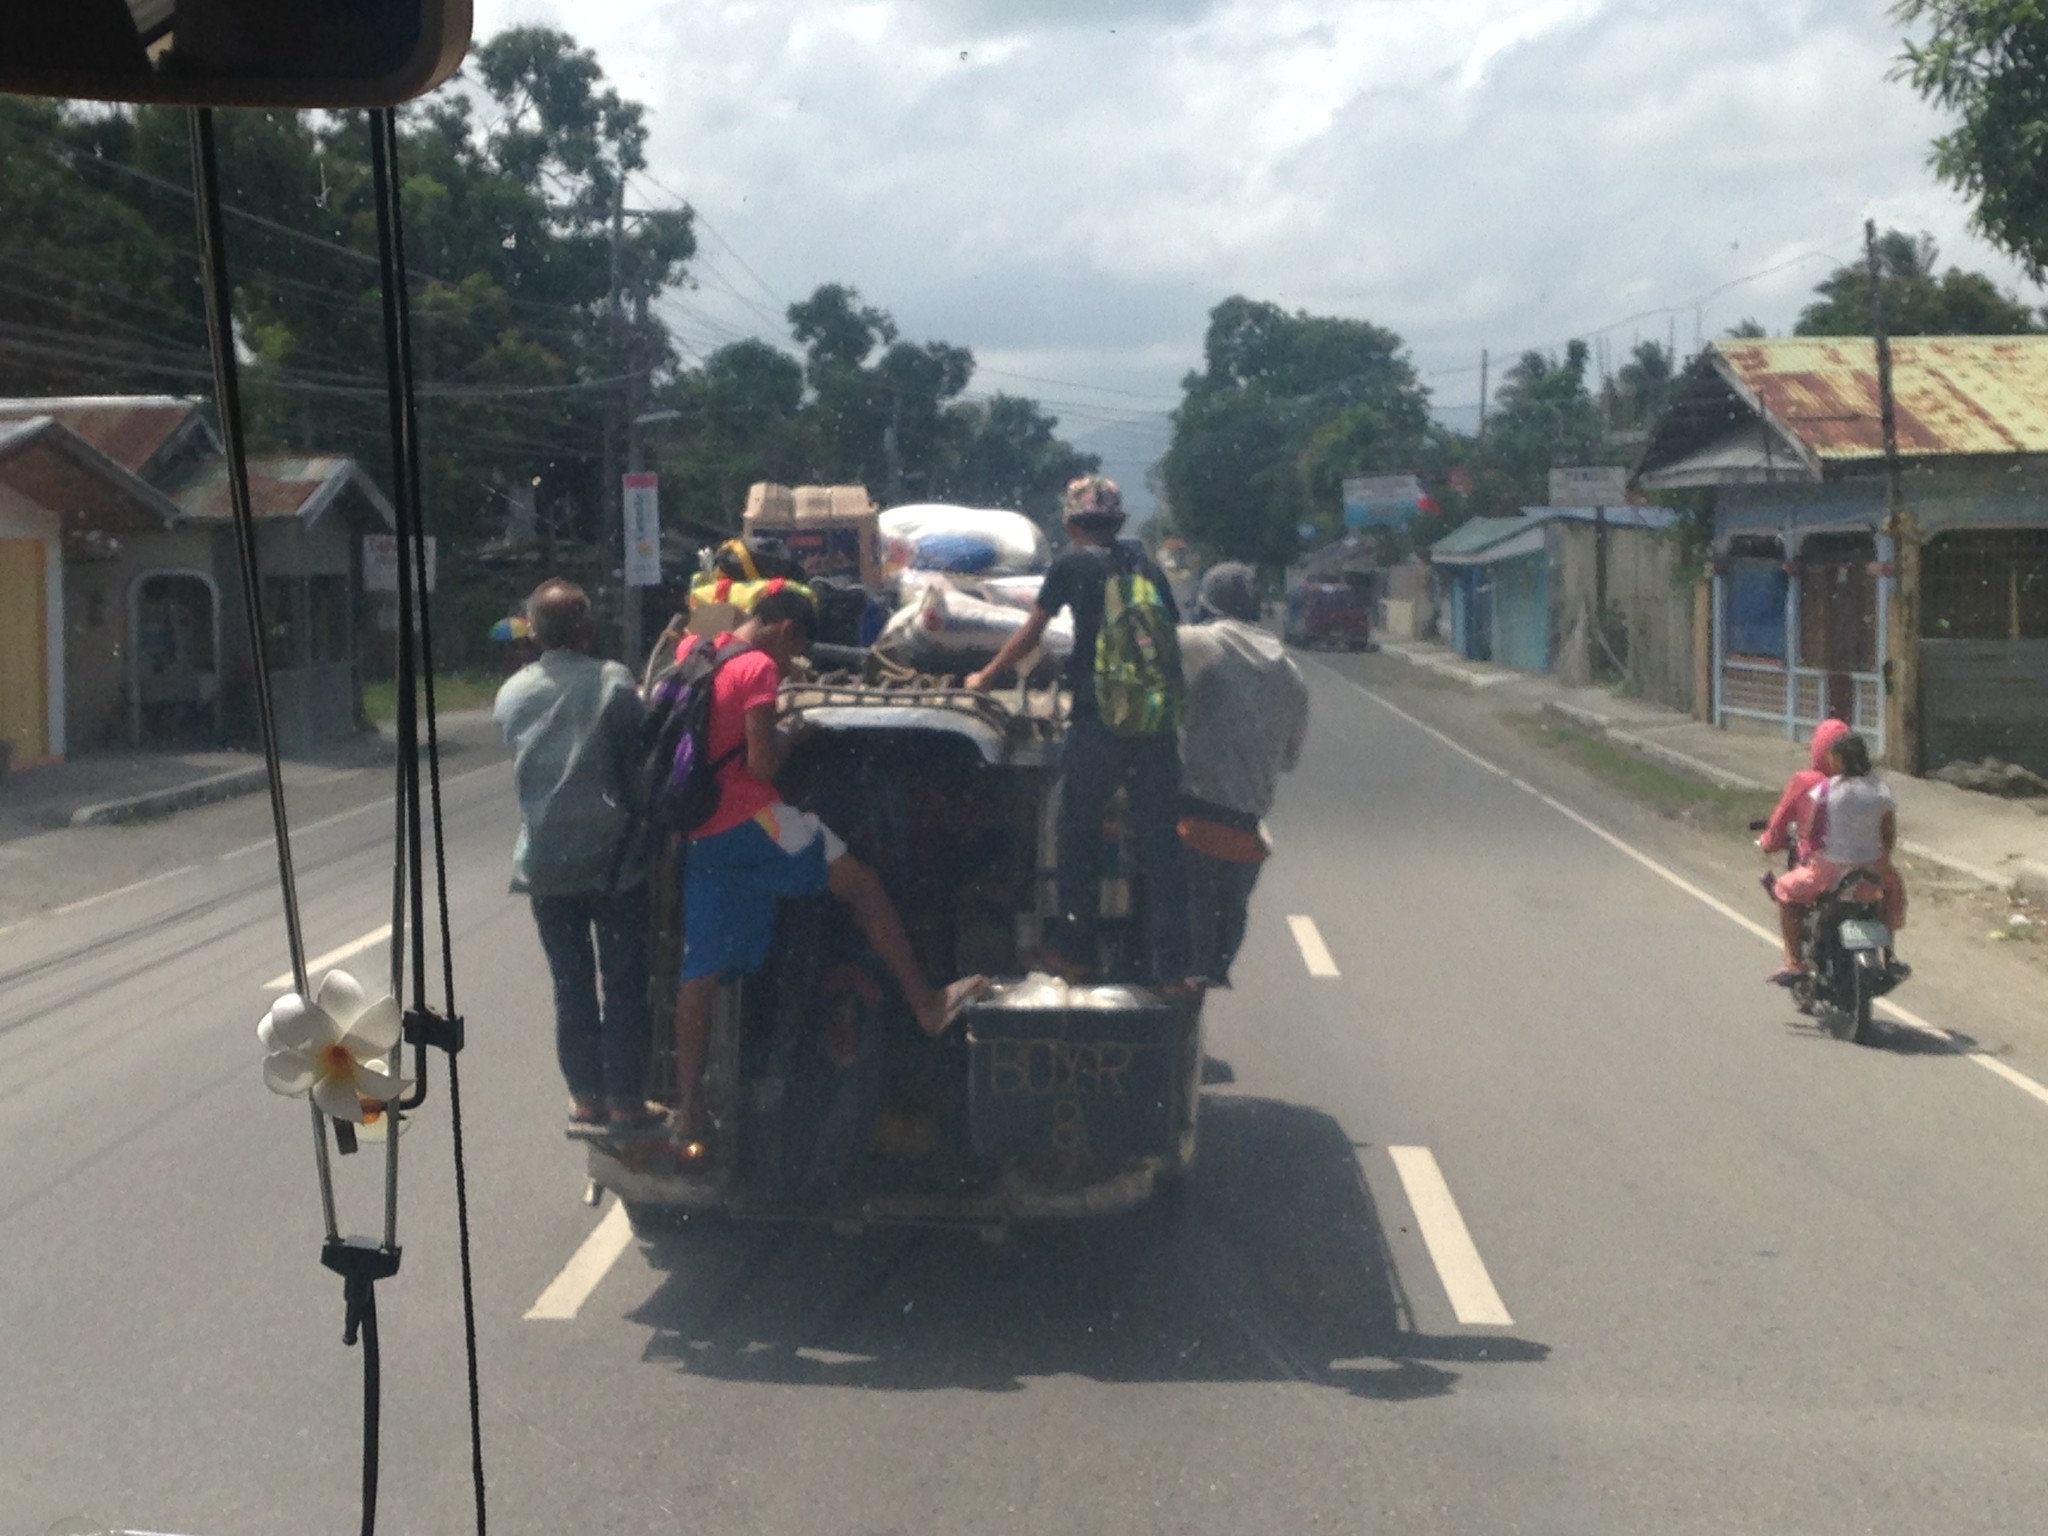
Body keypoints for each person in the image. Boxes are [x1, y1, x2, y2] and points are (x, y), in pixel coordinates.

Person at [670, 585, 986, 1152]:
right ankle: (926, 1002)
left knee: (700, 975)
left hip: (702, 831)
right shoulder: (759, 667)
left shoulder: (698, 649)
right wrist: (799, 734)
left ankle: (689, 1111)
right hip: (751, 819)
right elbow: (764, 763)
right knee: (862, 884)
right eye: (796, 652)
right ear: (787, 630)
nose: (792, 666)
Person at [965, 474, 1190, 986]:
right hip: (1153, 722)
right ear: (1119, 522)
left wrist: (986, 675)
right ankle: (1175, 963)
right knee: (1160, 841)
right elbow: (1168, 632)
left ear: (1070, 523)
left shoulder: (1071, 563)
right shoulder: (1147, 568)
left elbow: (1032, 630)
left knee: (1076, 829)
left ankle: (1076, 949)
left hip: (1099, 719)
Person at [492, 579, 656, 1129]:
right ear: (587, 628)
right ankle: (627, 1100)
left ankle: (586, 1096)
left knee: (571, 985)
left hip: (545, 864)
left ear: (533, 632)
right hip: (613, 865)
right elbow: (638, 749)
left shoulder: (512, 693)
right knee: (625, 983)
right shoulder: (613, 681)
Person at [1177, 562, 1309, 985]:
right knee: (1223, 926)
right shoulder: (1290, 673)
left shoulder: (1200, 643)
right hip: (1246, 832)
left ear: (1208, 606)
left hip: (1189, 819)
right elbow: (1289, 759)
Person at [1766, 729, 1908, 983]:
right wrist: (1882, 863)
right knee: (1889, 897)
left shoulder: (1823, 790)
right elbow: (1888, 835)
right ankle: (1890, 957)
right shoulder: (1882, 791)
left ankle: (1794, 962)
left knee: (1784, 891)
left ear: (1840, 760)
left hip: (1829, 876)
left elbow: (1810, 833)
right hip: (1872, 873)